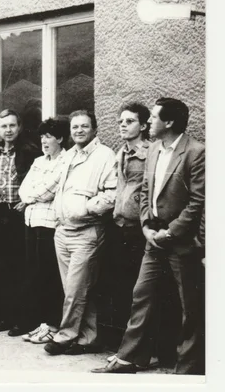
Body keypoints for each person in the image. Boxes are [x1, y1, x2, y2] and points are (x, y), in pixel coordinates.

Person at [92, 98, 205, 375]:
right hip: (153, 238)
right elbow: (145, 192)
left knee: (189, 305)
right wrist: (146, 226)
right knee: (141, 295)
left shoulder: (196, 152)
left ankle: (188, 367)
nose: (150, 122)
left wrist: (172, 231)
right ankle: (130, 358)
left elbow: (198, 202)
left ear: (169, 122)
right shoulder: (154, 149)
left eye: (154, 117)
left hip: (181, 241)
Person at [35, 110, 117, 356]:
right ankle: (88, 338)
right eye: (75, 127)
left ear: (94, 129)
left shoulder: (105, 156)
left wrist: (85, 208)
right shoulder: (69, 155)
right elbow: (54, 188)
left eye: (84, 126)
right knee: (81, 289)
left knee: (74, 290)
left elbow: (112, 194)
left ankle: (64, 336)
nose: (79, 130)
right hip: (63, 232)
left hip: (87, 232)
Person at [0, 109, 39, 336]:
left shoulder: (29, 151)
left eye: (12, 126)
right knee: (0, 268)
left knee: (20, 268)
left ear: (19, 127)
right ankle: (4, 317)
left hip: (18, 214)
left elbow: (37, 180)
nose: (8, 130)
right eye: (3, 126)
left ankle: (21, 319)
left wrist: (26, 203)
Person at [17, 117, 69, 344]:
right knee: (35, 275)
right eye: (42, 137)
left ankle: (52, 324)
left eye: (49, 136)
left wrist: (29, 198)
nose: (44, 141)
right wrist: (30, 197)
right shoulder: (38, 161)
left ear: (59, 138)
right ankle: (42, 325)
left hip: (50, 224)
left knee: (50, 277)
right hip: (31, 222)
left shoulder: (66, 160)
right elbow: (24, 189)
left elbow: (49, 189)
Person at [109, 103, 151, 329]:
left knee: (139, 286)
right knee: (120, 283)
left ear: (143, 125)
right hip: (119, 225)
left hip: (139, 228)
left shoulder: (150, 153)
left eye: (130, 121)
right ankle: (122, 338)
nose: (123, 126)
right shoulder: (121, 153)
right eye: (121, 122)